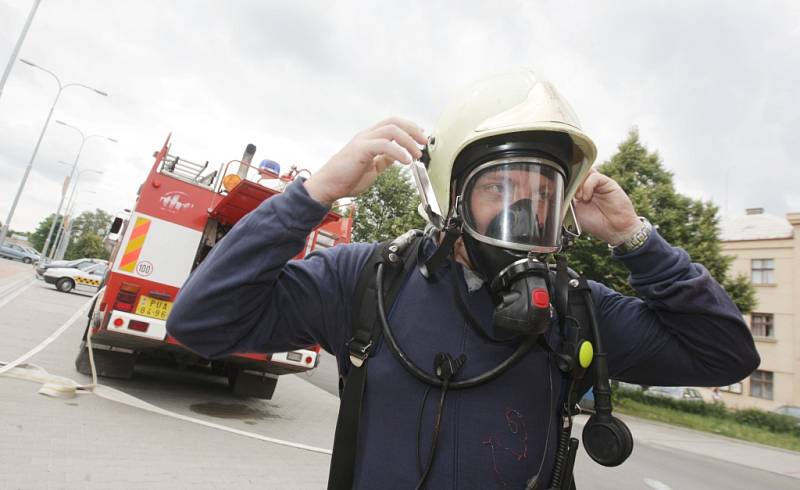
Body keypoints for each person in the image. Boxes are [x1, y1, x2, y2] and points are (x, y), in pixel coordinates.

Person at [166, 71, 760, 489]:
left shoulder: (574, 307)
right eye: (501, 189)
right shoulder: (369, 280)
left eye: (542, 197)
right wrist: (313, 194)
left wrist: (637, 240)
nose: (523, 217)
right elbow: (202, 321)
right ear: (451, 196)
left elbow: (723, 354)